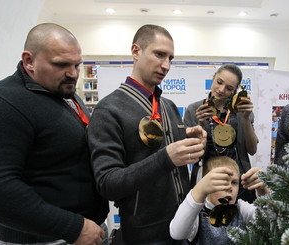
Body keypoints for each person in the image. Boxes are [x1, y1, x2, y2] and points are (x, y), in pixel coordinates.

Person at [87, 24, 207, 244]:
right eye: (159, 54)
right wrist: (165, 158)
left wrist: (191, 141)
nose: (166, 65)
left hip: (185, 224)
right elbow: (107, 183)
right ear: (136, 51)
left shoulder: (168, 106)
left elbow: (167, 157)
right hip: (146, 233)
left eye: (171, 58)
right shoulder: (109, 110)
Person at [0, 23, 108, 245]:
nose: (73, 74)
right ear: (29, 61)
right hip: (43, 239)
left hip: (84, 231)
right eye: (61, 64)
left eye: (77, 65)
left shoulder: (62, 93)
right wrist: (72, 227)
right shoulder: (3, 102)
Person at [184, 64, 259, 203]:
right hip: (206, 181)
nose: (221, 90)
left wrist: (246, 118)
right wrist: (200, 124)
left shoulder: (241, 111)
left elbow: (252, 150)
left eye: (229, 88)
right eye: (219, 82)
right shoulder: (194, 110)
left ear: (235, 90)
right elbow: (192, 156)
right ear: (213, 78)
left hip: (238, 182)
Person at [169, 156, 269, 244]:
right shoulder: (198, 214)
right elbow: (177, 233)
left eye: (234, 182)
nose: (229, 187)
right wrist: (198, 191)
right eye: (222, 182)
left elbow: (269, 221)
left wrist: (264, 192)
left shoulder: (241, 208)